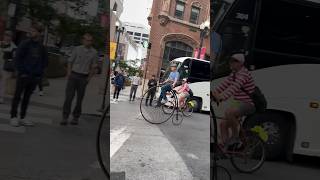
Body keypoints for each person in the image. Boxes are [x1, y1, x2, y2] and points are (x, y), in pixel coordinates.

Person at [212, 53, 256, 148]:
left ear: (240, 63)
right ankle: (226, 148)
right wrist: (212, 93)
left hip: (248, 104)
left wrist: (222, 97)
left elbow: (234, 87)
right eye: (230, 61)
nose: (230, 63)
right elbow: (223, 85)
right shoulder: (234, 74)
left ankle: (236, 137)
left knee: (229, 112)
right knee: (223, 124)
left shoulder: (244, 74)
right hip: (238, 103)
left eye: (233, 62)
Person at [10, 24, 48, 127]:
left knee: (27, 98)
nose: (31, 32)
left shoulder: (42, 47)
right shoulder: (25, 44)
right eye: (31, 30)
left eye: (34, 31)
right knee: (17, 96)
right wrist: (22, 72)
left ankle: (22, 117)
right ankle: (13, 117)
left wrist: (38, 75)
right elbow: (18, 58)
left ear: (40, 33)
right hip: (24, 75)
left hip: (34, 77)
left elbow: (44, 62)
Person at [61, 33, 98, 125]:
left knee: (79, 99)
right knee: (69, 98)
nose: (88, 42)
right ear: (83, 40)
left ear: (91, 42)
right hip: (73, 75)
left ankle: (75, 117)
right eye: (86, 40)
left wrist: (89, 79)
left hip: (83, 78)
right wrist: (69, 73)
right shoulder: (77, 49)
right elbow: (70, 62)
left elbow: (93, 67)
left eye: (89, 40)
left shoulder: (94, 52)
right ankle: (65, 117)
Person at [0, 31, 17, 104]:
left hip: (6, 66)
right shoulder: (0, 43)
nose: (7, 37)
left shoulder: (14, 47)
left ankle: (1, 97)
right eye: (6, 35)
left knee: (3, 82)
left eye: (9, 36)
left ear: (11, 37)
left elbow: (15, 58)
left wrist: (14, 70)